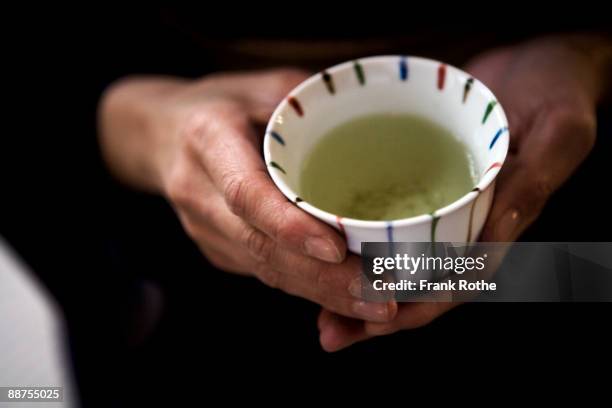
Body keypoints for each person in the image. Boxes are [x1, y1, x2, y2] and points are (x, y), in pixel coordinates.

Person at [98, 31, 611, 353]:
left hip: (552, 247)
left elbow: (582, 275)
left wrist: (588, 52)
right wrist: (146, 131)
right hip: (216, 307)